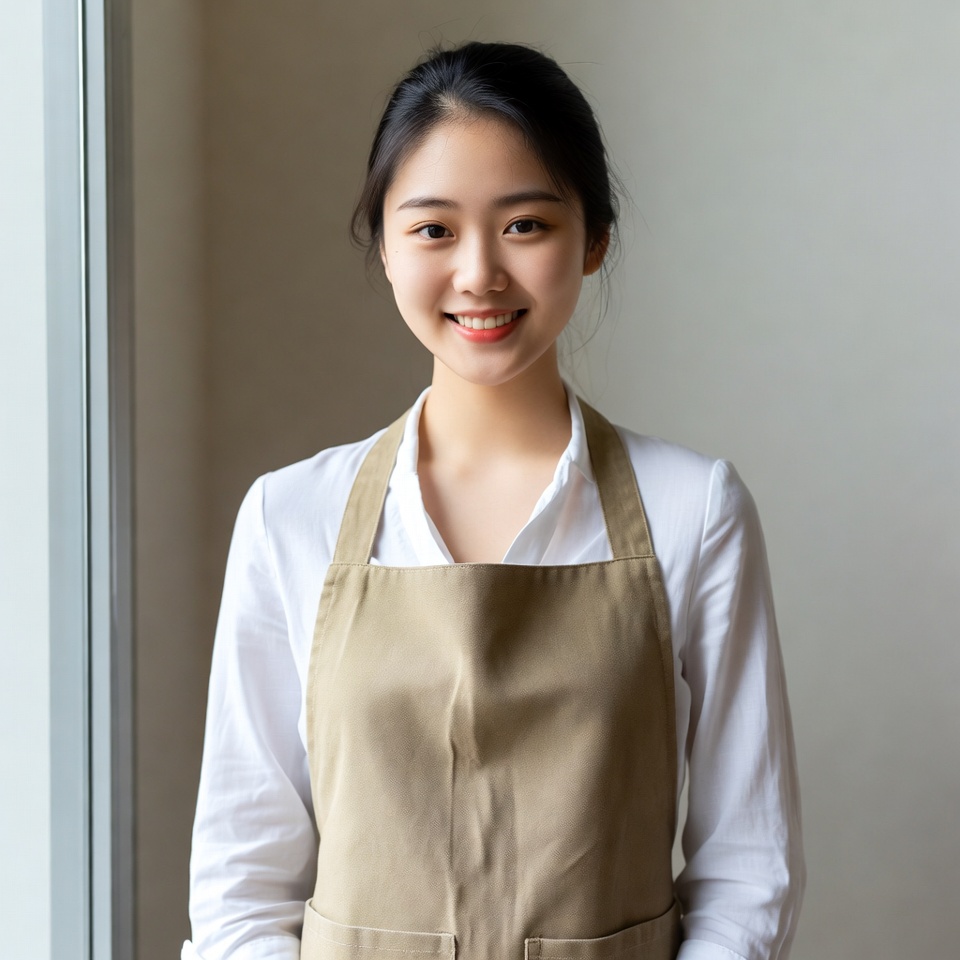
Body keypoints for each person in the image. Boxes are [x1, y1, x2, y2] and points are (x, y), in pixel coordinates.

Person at [183, 41, 804, 960]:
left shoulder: (694, 510)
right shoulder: (288, 517)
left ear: (593, 239)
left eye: (525, 225)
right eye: (434, 229)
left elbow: (750, 869)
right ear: (386, 248)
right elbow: (241, 880)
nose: (479, 273)